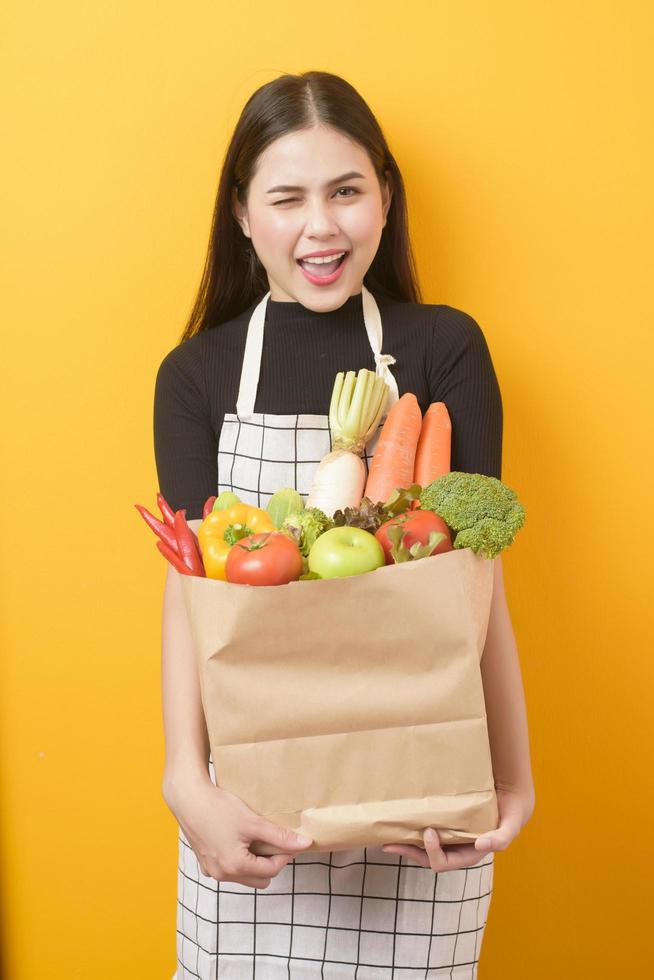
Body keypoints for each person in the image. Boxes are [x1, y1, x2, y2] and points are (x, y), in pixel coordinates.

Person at [153, 70, 536, 980]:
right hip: (254, 816)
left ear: (385, 198)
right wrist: (185, 784)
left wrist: (514, 782)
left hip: (421, 807)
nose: (321, 227)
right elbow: (187, 584)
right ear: (243, 215)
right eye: (286, 198)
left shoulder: (446, 348)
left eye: (347, 191)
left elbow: (476, 587)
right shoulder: (196, 377)